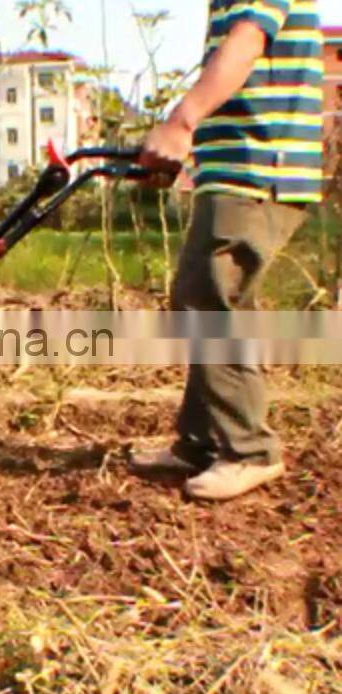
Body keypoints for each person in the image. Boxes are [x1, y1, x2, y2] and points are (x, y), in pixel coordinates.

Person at [136, 0, 324, 501]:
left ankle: (250, 450)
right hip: (236, 169)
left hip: (260, 167)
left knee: (210, 300)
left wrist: (182, 121)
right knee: (204, 296)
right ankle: (202, 441)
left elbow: (246, 43)